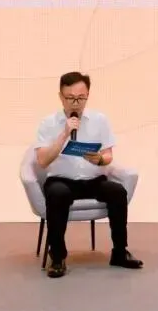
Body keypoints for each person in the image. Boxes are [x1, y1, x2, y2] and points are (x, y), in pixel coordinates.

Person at [33, 72, 143, 278]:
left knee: (118, 192)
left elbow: (108, 155)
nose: (75, 103)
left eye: (80, 98)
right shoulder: (48, 123)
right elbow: (42, 161)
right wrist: (64, 134)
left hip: (93, 180)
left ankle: (120, 252)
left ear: (87, 95)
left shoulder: (100, 120)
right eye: (70, 98)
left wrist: (100, 159)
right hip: (61, 180)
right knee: (57, 194)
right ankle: (57, 257)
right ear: (60, 96)